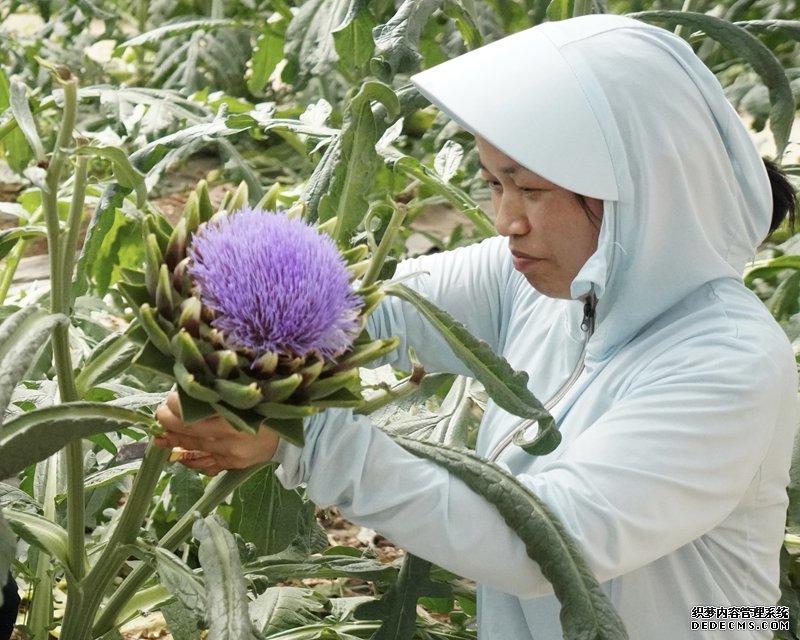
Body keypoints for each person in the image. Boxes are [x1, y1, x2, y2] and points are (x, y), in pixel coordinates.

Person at [154, 14, 799, 640]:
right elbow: (378, 307)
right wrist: (230, 323)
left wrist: (303, 439)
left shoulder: (730, 364)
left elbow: (544, 543)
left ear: (639, 186)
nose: (505, 220)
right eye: (494, 183)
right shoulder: (541, 279)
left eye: (531, 190)